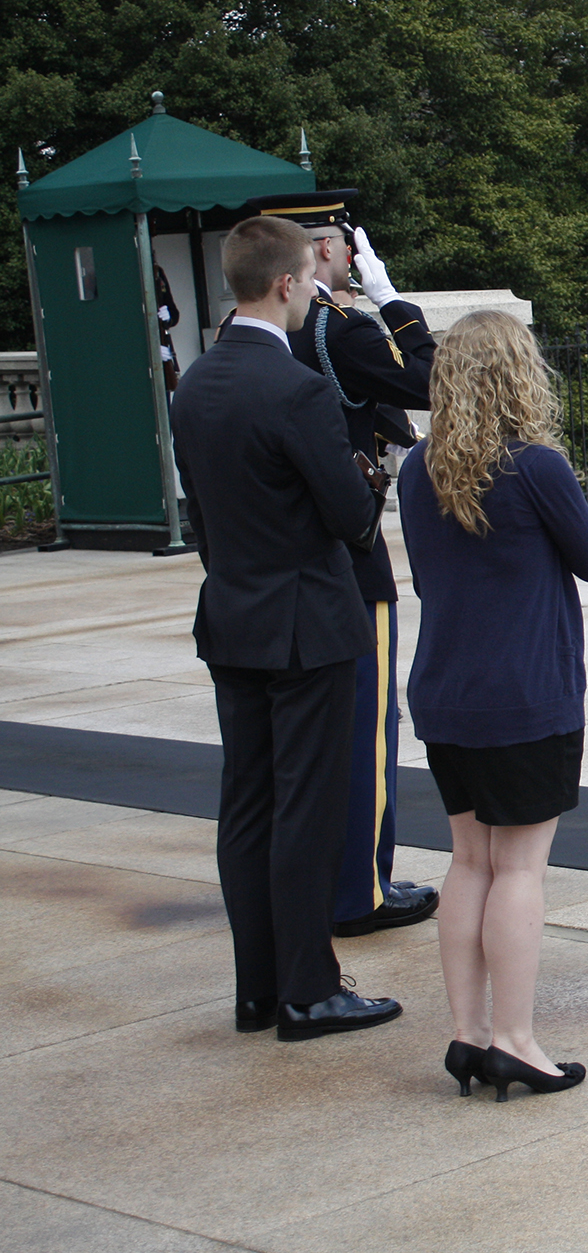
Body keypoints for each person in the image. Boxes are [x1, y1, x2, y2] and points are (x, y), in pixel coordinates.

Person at [169, 214, 403, 1042]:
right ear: (283, 284)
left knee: (248, 804)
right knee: (305, 807)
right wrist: (362, 478)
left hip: (234, 615)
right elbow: (348, 518)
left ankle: (257, 988)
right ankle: (309, 989)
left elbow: (203, 514)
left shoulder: (193, 385)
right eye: (309, 279)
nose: (314, 290)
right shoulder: (295, 388)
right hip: (307, 624)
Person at [397, 310, 588, 1102]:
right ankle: (516, 1041)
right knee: (519, 866)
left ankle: (469, 1033)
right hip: (523, 693)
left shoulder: (417, 469)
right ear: (521, 375)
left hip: (447, 689)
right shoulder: (536, 466)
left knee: (469, 861)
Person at [241, 191, 439, 940]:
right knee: (366, 731)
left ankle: (315, 884)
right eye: (351, 247)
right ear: (323, 251)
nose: (357, 260)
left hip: (267, 570)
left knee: (297, 748)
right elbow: (430, 381)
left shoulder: (238, 342)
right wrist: (392, 300)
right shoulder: (337, 331)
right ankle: (362, 890)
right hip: (348, 560)